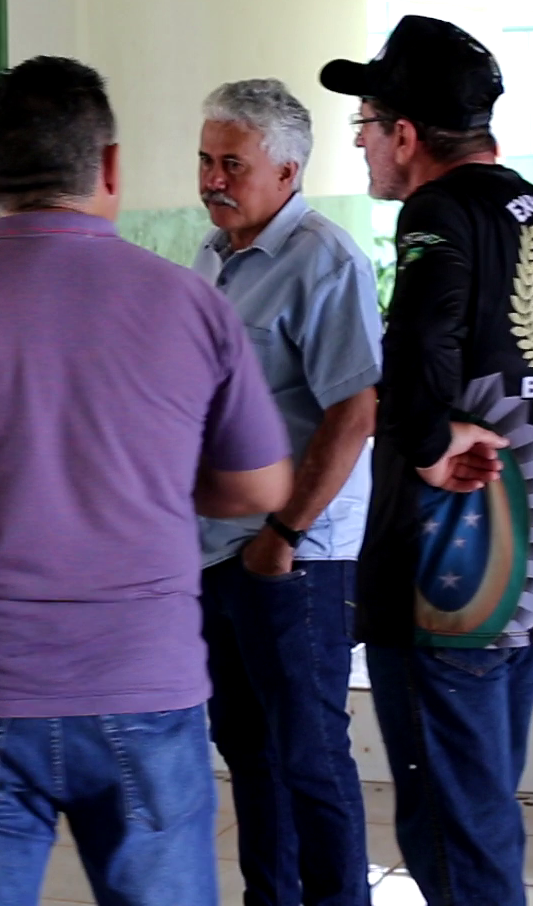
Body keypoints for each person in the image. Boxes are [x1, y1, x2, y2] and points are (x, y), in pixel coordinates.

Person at [0, 56, 293, 906]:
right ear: (110, 166)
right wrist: (155, 485)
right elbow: (261, 487)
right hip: (144, 685)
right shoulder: (189, 302)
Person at [323, 15, 533, 906]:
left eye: (366, 124)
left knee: (454, 839)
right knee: (482, 818)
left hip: (449, 587)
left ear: (406, 134)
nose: (361, 144)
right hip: (532, 580)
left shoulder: (439, 214)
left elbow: (415, 356)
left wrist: (434, 444)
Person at [191, 79, 380, 906]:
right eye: (206, 159)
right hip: (217, 547)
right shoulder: (211, 255)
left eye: (231, 164)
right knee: (247, 748)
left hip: (295, 557)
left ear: (288, 171)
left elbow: (355, 409)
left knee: (309, 753)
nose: (212, 178)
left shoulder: (324, 260)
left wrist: (285, 535)